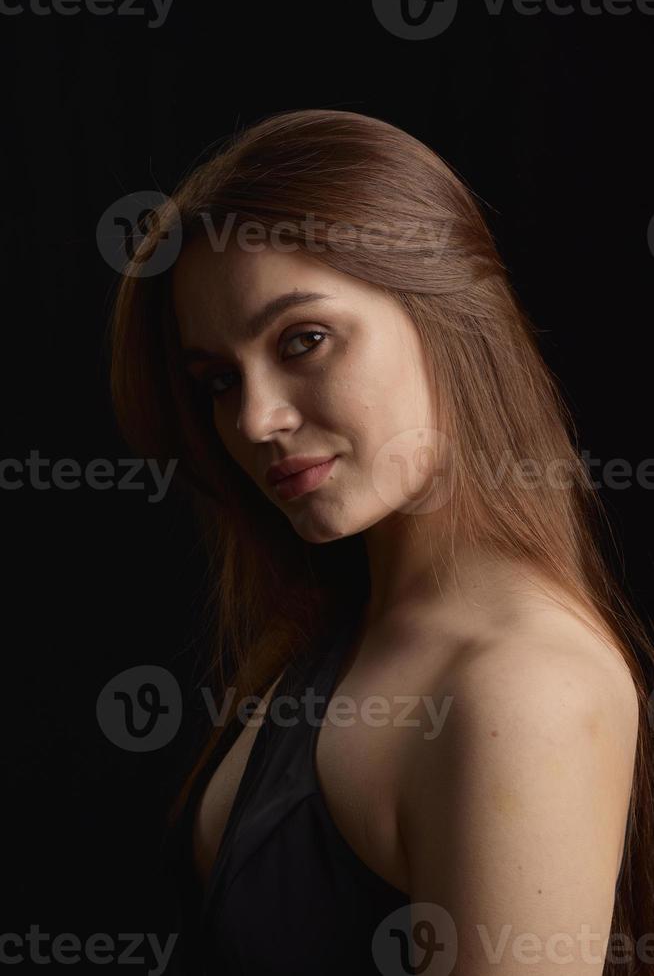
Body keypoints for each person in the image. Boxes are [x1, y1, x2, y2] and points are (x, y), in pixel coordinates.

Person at [108, 108, 653, 976]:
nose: (254, 420)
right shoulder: (345, 621)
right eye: (217, 380)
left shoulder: (523, 686)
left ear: (449, 317)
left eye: (305, 340)